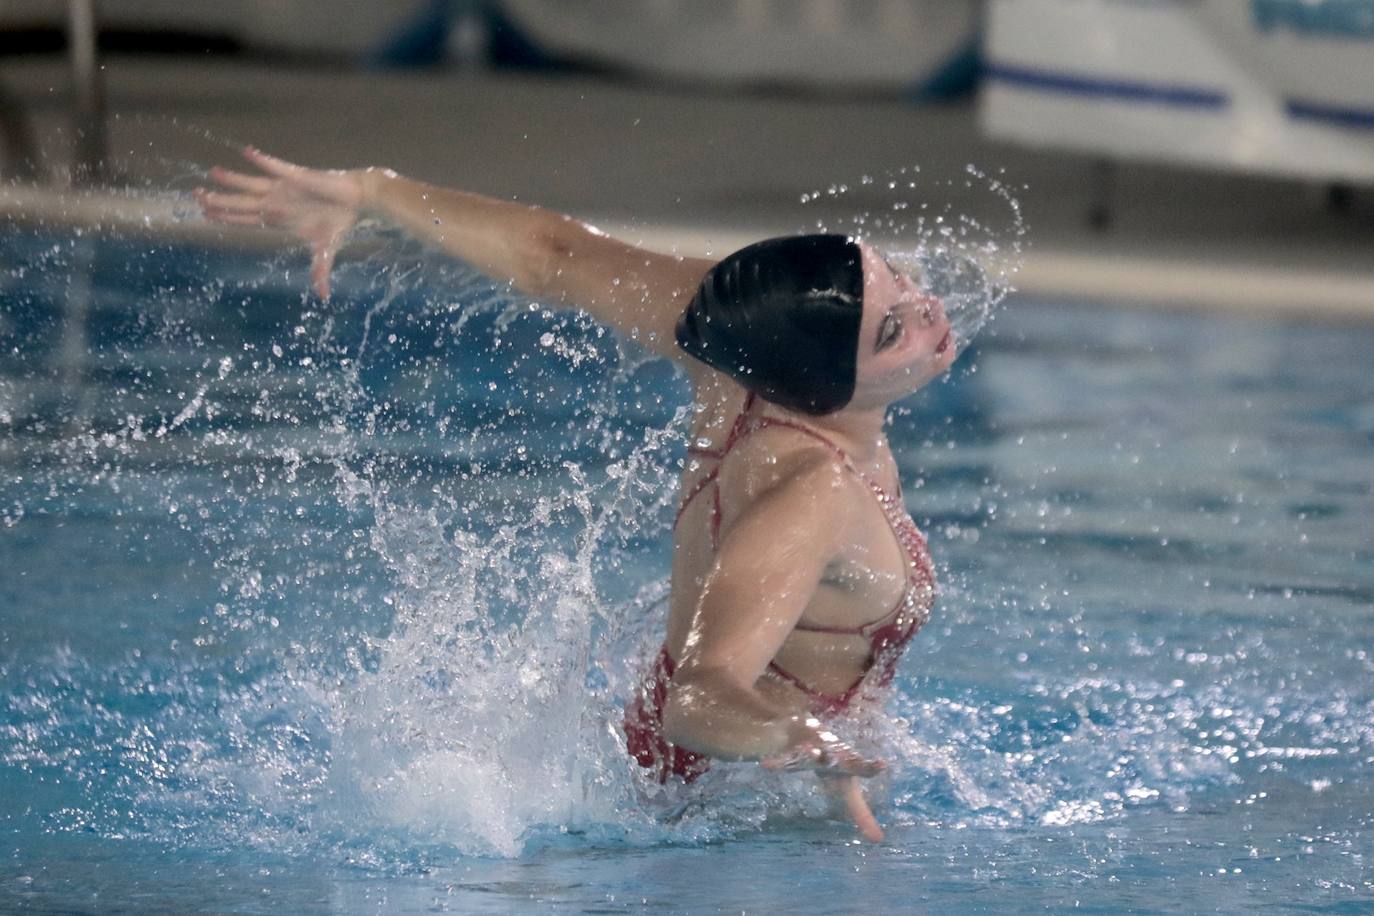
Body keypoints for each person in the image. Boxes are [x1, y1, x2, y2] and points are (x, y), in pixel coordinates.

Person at [195, 148, 956, 843]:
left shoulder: (744, 336)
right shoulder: (811, 492)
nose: (928, 311)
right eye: (893, 330)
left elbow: (555, 255)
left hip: (675, 776)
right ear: (819, 388)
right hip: (714, 809)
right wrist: (801, 740)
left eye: (903, 280)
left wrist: (374, 192)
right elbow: (698, 697)